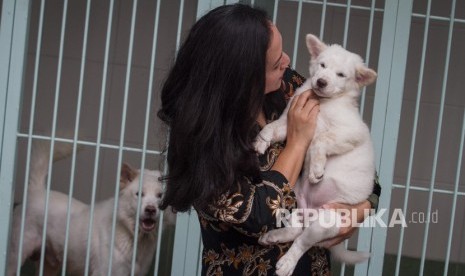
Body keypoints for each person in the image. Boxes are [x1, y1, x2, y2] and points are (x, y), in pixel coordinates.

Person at [157, 4, 381, 275]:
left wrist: (361, 210)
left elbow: (360, 162)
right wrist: (298, 143)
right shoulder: (200, 138)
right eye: (276, 63)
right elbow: (260, 217)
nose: (287, 61)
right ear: (243, 76)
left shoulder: (289, 86)